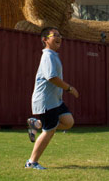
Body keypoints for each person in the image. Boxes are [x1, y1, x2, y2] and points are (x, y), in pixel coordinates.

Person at [25, 27, 79, 170]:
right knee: (49, 131)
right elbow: (52, 78)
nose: (59, 37)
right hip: (46, 101)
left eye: (59, 35)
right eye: (54, 35)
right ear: (45, 39)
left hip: (55, 100)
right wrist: (69, 88)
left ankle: (36, 124)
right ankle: (31, 162)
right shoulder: (48, 55)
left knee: (68, 122)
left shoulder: (54, 55)